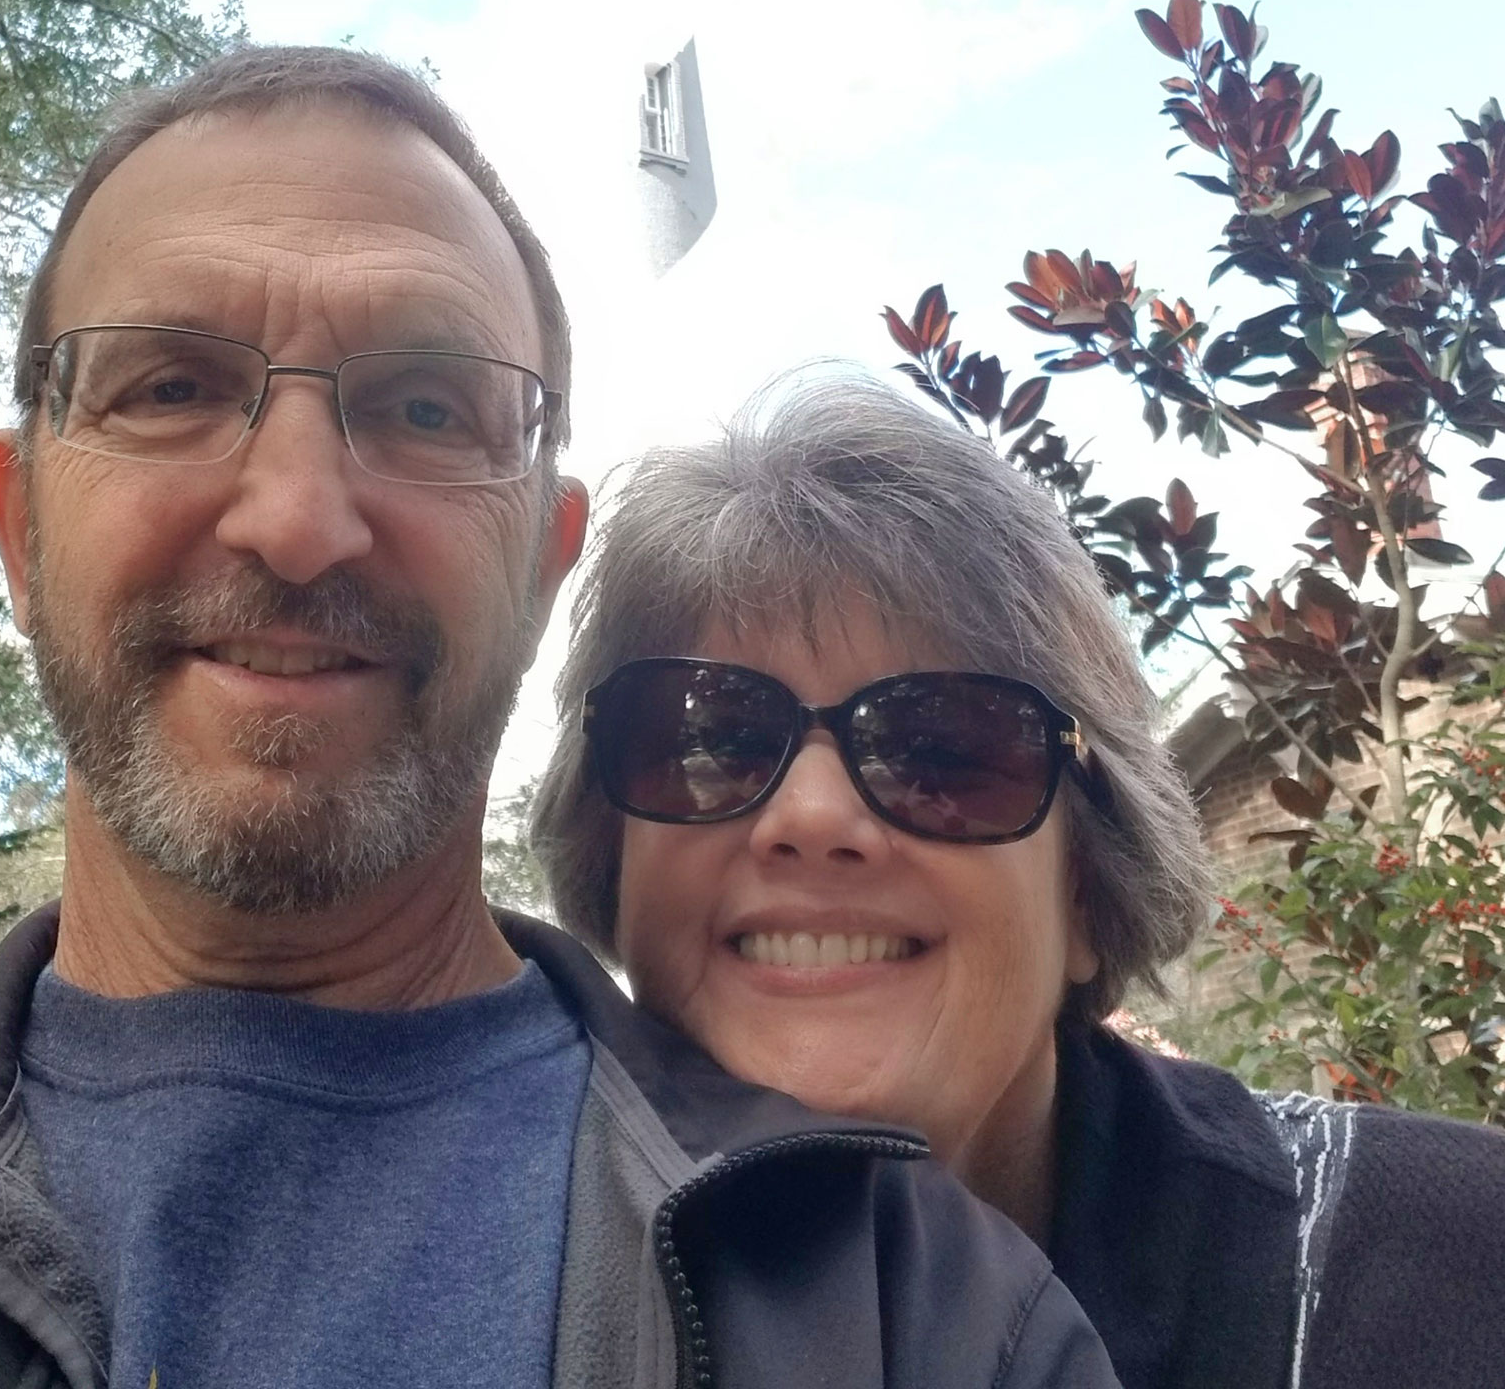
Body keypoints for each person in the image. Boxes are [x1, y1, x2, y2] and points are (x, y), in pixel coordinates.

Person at [0, 50, 1123, 1389]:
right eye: (172, 385)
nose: (300, 519)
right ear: (18, 520)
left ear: (546, 554)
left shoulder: (920, 1316)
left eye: (428, 408)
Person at [533, 368, 1505, 1389]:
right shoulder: (482, 1271)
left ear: (1088, 887)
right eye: (716, 738)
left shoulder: (1452, 1273)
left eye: (944, 749)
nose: (812, 819)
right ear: (615, 853)